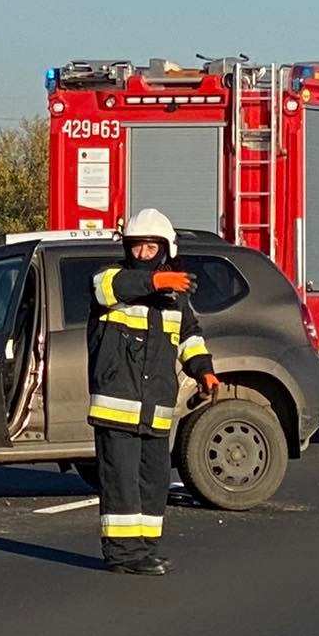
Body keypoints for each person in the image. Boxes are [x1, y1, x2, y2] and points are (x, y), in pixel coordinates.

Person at [87, 208, 218, 576]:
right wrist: (157, 282)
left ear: (166, 249)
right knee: (121, 482)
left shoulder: (175, 299)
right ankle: (122, 555)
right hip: (117, 407)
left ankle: (145, 550)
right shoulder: (110, 279)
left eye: (150, 247)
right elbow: (108, 288)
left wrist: (204, 371)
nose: (143, 254)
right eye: (137, 247)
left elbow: (190, 337)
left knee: (153, 480)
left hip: (157, 408)